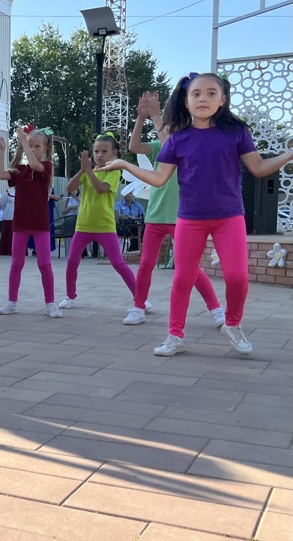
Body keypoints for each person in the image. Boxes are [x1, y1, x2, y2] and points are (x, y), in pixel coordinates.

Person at [104, 72, 293, 357]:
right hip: (189, 219)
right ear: (186, 101)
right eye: (196, 94)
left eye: (211, 93)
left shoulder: (236, 132)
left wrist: (289, 155)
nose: (203, 99)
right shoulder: (177, 139)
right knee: (182, 278)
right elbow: (158, 178)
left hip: (229, 217)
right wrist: (124, 164)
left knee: (238, 277)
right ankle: (175, 335)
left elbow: (258, 168)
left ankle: (232, 324)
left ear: (222, 99)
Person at [122, 91, 224, 328]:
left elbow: (172, 146)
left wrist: (156, 116)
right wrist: (141, 118)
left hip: (183, 217)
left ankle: (216, 309)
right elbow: (134, 146)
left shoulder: (190, 145)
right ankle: (138, 307)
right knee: (146, 264)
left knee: (189, 267)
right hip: (156, 216)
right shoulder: (159, 145)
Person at [59, 133, 137, 311]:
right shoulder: (88, 171)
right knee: (72, 261)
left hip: (105, 227)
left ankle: (140, 297)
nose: (99, 155)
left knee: (118, 263)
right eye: (96, 151)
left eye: (104, 151)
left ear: (114, 153)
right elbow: (70, 188)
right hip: (83, 225)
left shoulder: (114, 172)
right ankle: (70, 296)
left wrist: (88, 171)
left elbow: (101, 189)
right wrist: (83, 170)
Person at [0, 127, 61, 318]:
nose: (32, 149)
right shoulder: (20, 170)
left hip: (40, 224)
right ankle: (11, 301)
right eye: (30, 146)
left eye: (37, 146)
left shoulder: (46, 166)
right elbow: (1, 175)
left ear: (45, 148)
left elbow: (34, 164)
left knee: (44, 264)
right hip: (21, 224)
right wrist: (2, 150)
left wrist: (23, 141)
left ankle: (50, 303)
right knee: (16, 263)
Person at [0, 187, 15, 255]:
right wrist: (8, 210)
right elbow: (2, 204)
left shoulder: (23, 191)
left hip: (19, 215)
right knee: (7, 234)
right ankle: (6, 251)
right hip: (8, 216)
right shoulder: (7, 192)